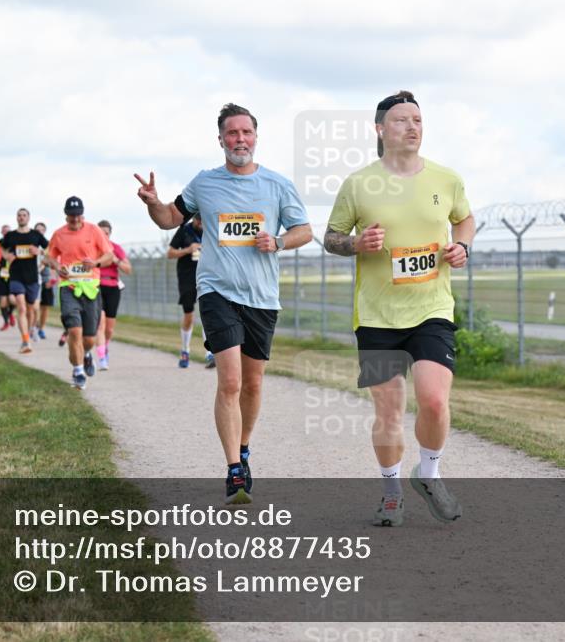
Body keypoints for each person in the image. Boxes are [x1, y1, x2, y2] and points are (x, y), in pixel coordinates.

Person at [136, 102, 312, 504]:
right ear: (220, 140)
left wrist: (279, 241)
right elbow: (168, 220)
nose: (239, 139)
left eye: (245, 132)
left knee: (252, 383)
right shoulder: (204, 184)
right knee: (230, 381)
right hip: (217, 291)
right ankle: (234, 469)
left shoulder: (278, 185)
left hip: (262, 297)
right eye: (231, 133)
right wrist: (152, 202)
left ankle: (244, 448)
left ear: (255, 137)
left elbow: (304, 230)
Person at [324, 91, 474, 527]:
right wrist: (355, 243)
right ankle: (391, 491)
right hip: (376, 315)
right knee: (389, 411)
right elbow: (331, 237)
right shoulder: (358, 184)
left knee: (432, 399)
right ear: (380, 129)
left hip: (432, 307)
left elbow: (464, 218)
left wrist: (462, 245)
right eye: (402, 120)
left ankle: (429, 474)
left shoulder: (446, 179)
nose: (412, 127)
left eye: (418, 120)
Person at [44, 197, 114, 389]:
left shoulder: (94, 230)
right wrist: (57, 266)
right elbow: (49, 256)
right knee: (74, 331)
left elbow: (109, 255)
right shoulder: (59, 234)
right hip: (68, 287)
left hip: (91, 288)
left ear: (82, 214)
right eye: (71, 215)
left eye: (77, 215)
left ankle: (86, 354)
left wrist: (96, 263)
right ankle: (78, 371)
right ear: (66, 215)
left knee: (89, 338)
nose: (75, 219)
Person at [0, 208, 49, 354]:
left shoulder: (36, 235)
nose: (21, 218)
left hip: (32, 278)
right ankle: (25, 340)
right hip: (16, 276)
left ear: (29, 218)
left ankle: (30, 330)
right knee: (21, 307)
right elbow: (0, 248)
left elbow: (50, 247)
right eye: (19, 216)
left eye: (24, 215)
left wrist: (39, 251)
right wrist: (6, 256)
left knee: (31, 309)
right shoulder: (10, 235)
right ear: (16, 218)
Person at [167, 214, 212, 368]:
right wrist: (188, 249)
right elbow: (170, 253)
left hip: (207, 276)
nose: (200, 223)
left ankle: (210, 352)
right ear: (194, 219)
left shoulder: (210, 230)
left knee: (209, 313)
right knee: (189, 316)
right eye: (198, 220)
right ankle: (185, 350)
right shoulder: (184, 231)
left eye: (203, 220)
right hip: (187, 278)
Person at [95, 220, 132, 370]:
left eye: (106, 233)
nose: (104, 236)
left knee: (109, 328)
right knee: (101, 323)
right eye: (100, 233)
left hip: (112, 287)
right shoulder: (93, 248)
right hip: (96, 286)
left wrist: (115, 260)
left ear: (110, 234)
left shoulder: (116, 248)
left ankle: (105, 346)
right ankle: (102, 357)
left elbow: (128, 269)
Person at [34, 222, 54, 340]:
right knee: (34, 306)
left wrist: (52, 278)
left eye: (42, 230)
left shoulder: (48, 245)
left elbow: (52, 260)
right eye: (37, 230)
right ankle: (34, 325)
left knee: (45, 306)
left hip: (45, 277)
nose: (40, 232)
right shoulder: (31, 243)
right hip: (33, 278)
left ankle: (41, 328)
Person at [0, 224, 14, 331]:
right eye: (4, 231)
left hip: (14, 275)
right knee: (3, 301)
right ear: (2, 232)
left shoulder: (15, 242)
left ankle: (10, 313)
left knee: (12, 299)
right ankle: (6, 322)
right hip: (1, 275)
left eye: (8, 231)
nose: (6, 233)